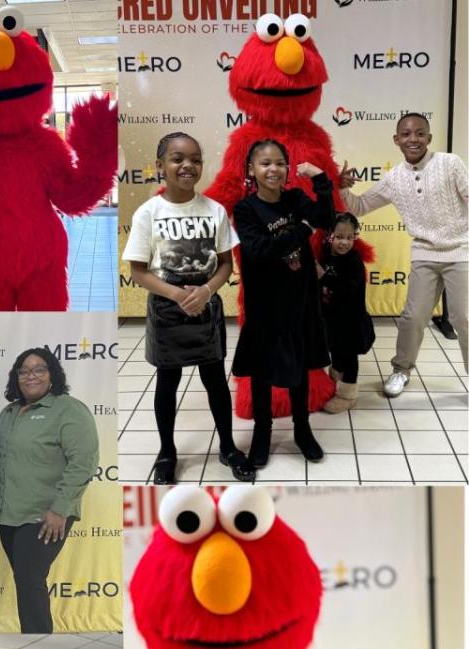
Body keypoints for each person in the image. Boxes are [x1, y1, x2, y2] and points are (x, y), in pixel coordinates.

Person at [123, 131, 253, 484]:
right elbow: (137, 270)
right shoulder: (149, 213)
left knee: (214, 381)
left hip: (206, 310)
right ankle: (167, 452)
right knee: (168, 381)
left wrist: (207, 290)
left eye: (195, 159)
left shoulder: (215, 211)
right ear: (160, 165)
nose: (188, 165)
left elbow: (226, 263)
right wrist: (177, 295)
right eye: (178, 158)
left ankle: (227, 447)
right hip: (167, 312)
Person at [338, 113, 468, 393]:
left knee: (464, 318)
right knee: (412, 317)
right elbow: (359, 207)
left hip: (460, 250)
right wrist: (343, 189)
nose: (413, 139)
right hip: (424, 253)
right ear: (396, 140)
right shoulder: (395, 178)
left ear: (429, 138)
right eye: (406, 134)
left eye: (420, 133)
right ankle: (401, 370)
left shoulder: (450, 163)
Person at [231, 139, 333, 467]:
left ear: (287, 168)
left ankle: (303, 429)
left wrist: (320, 180)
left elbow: (326, 218)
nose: (273, 169)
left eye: (279, 163)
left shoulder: (295, 198)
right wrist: (303, 228)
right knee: (262, 372)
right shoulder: (246, 210)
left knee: (301, 369)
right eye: (264, 163)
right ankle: (263, 432)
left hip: (300, 301)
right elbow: (259, 250)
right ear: (251, 170)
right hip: (264, 306)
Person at [0, 348, 99, 633]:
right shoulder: (9, 413)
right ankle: (34, 636)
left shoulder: (68, 409)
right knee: (26, 582)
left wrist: (59, 509)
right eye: (24, 370)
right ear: (16, 377)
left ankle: (39, 641)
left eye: (39, 369)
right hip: (8, 515)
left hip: (45, 514)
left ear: (52, 374)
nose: (31, 376)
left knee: (30, 580)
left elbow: (83, 463)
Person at [318, 212, 375, 414]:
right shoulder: (324, 255)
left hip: (351, 321)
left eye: (349, 238)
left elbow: (345, 288)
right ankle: (335, 384)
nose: (344, 243)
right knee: (336, 354)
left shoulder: (353, 262)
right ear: (329, 235)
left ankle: (347, 395)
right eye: (339, 237)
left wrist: (322, 276)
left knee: (349, 358)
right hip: (331, 320)